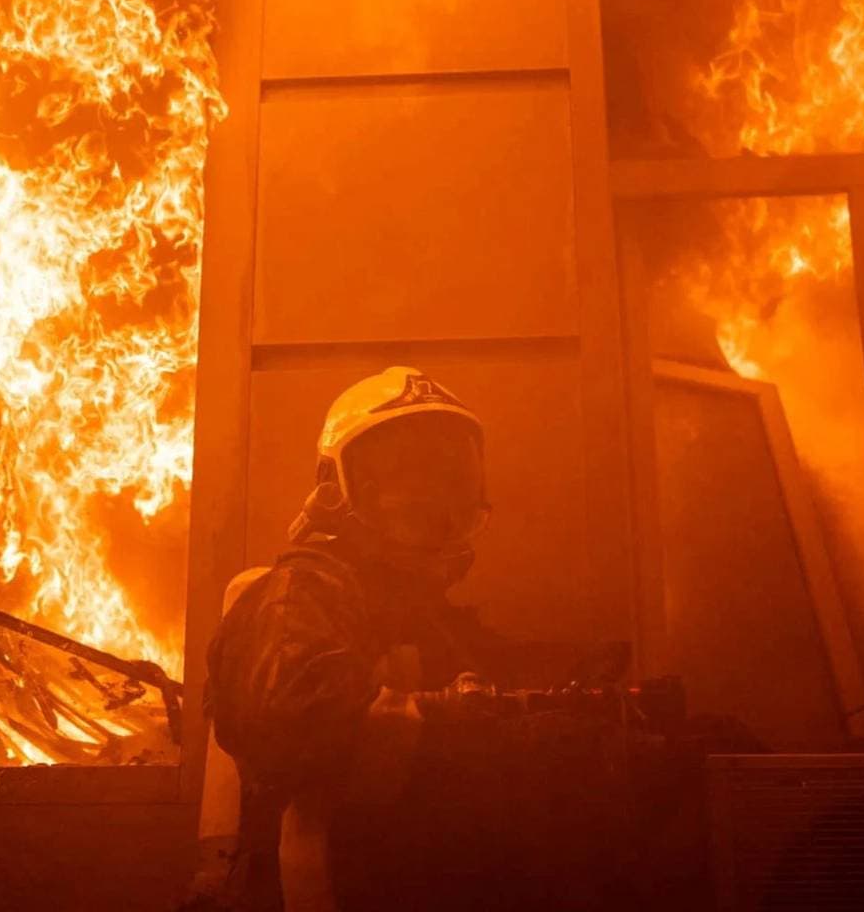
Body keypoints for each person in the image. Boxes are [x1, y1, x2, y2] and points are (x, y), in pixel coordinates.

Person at [194, 367, 654, 912]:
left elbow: (494, 669)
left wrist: (588, 683)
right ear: (335, 491)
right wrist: (453, 717)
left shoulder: (421, 613)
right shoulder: (302, 594)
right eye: (407, 476)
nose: (435, 499)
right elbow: (291, 725)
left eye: (450, 474)